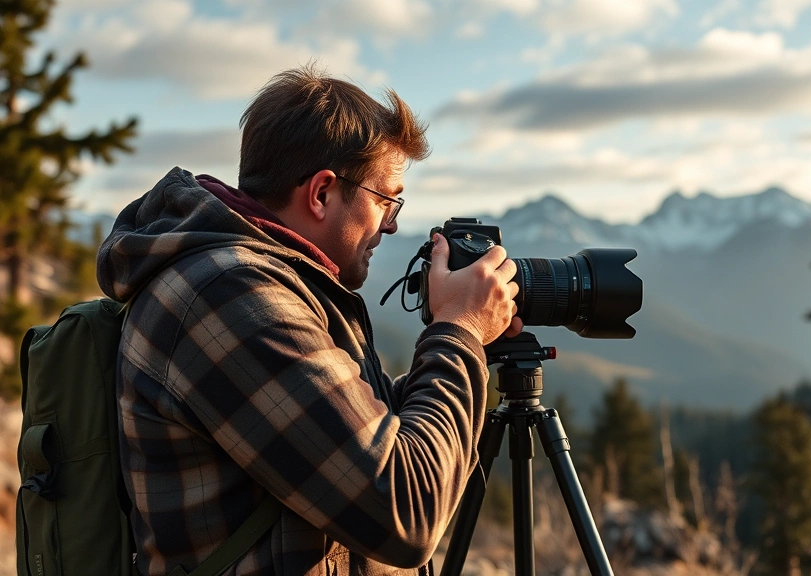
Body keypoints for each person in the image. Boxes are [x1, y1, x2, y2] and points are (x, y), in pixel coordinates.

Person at [96, 65, 522, 576]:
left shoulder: (260, 281)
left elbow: (346, 428)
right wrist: (459, 332)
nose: (392, 226)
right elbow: (406, 509)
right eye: (387, 200)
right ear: (321, 193)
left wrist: (469, 341)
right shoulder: (232, 296)